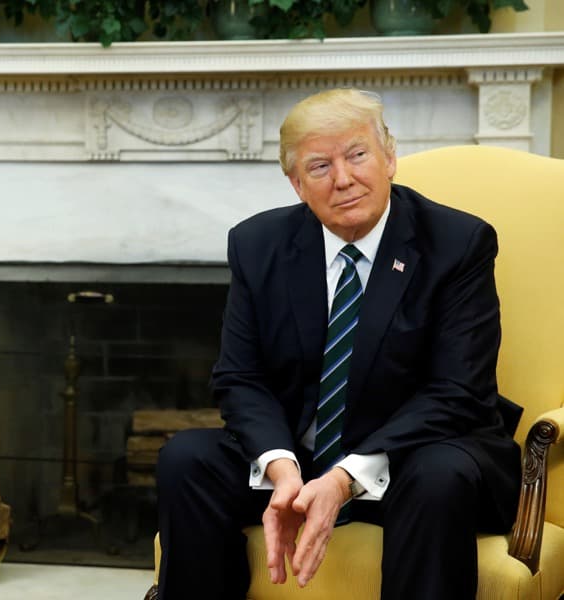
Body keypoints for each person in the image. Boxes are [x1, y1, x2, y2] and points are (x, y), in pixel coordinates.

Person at [155, 88, 521, 599]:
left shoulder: (457, 243)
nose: (344, 179)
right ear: (297, 183)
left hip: (413, 456)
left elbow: (458, 390)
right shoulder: (258, 245)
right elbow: (240, 377)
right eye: (320, 166)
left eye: (357, 155)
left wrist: (347, 475)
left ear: (389, 157)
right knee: (186, 459)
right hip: (302, 461)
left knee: (439, 476)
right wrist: (281, 468)